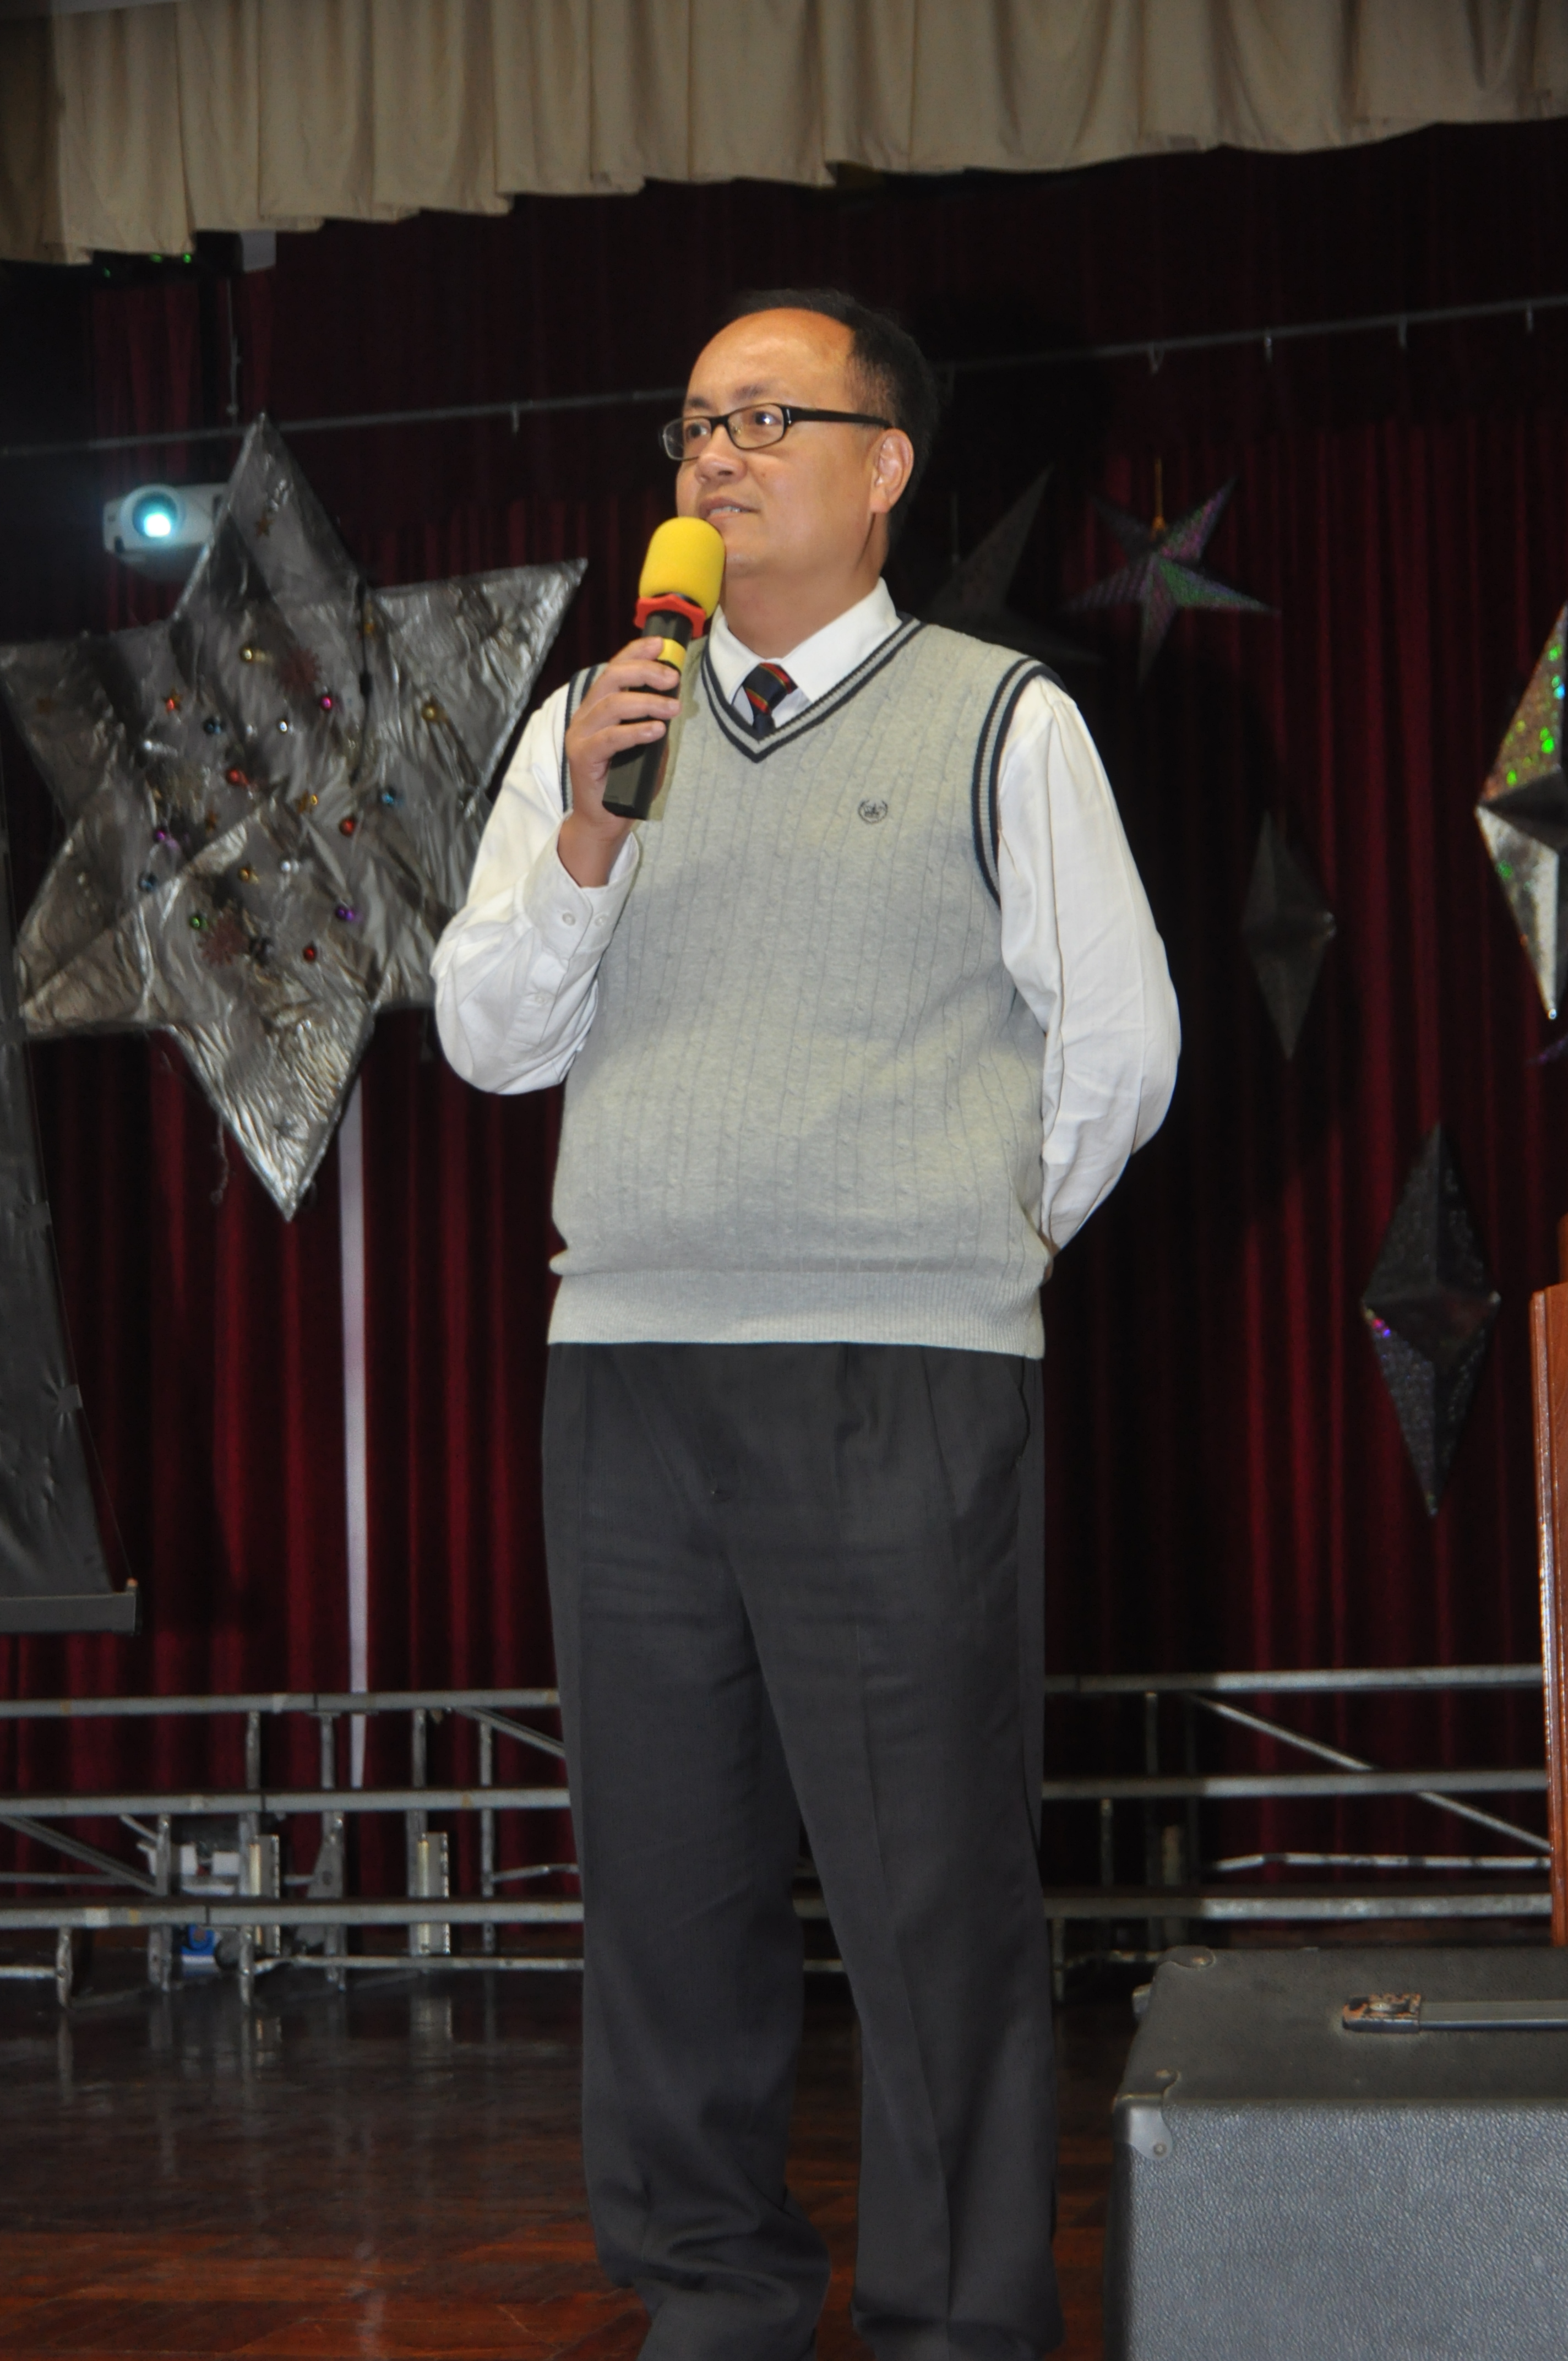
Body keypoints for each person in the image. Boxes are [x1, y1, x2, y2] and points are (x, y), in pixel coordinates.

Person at [433, 288, 1179, 2361]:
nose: (719, 454)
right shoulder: (594, 723)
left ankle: (957, 2324)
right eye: (696, 423)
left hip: (899, 1377)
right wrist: (591, 824)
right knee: (665, 1898)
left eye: (769, 418)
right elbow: (489, 1036)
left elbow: (1120, 1048)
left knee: (932, 1897)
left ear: (886, 467)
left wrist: (956, 1245)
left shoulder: (1003, 718)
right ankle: (710, 2302)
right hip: (626, 1375)